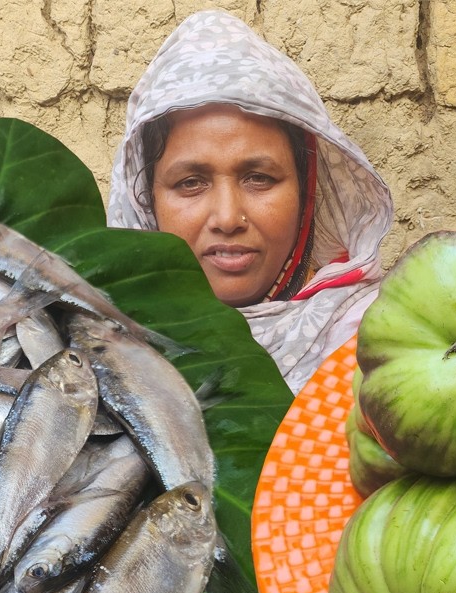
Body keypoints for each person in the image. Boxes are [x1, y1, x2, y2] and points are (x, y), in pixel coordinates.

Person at [106, 9, 394, 394]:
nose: (227, 218)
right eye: (191, 182)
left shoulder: (379, 344)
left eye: (259, 178)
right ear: (146, 203)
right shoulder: (91, 350)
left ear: (306, 192)